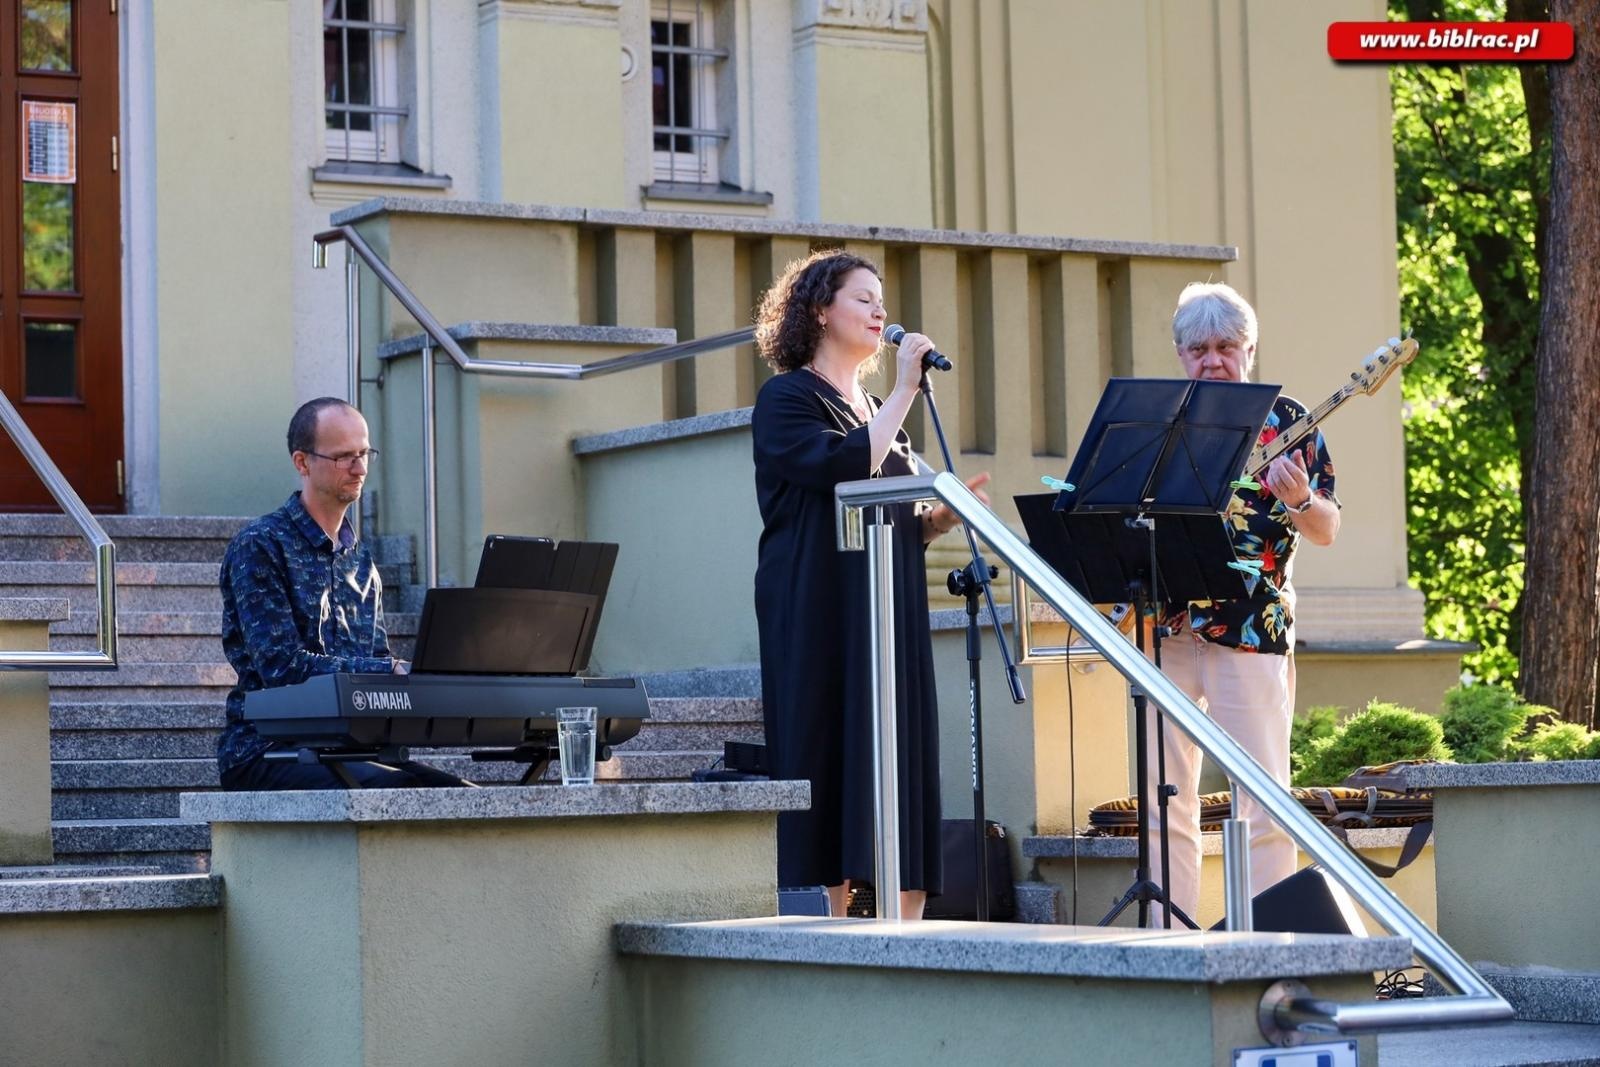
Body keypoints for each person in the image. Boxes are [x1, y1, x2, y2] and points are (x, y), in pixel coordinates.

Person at [751, 249, 989, 920]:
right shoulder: (787, 398)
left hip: (888, 601)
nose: (880, 311)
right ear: (821, 309)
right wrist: (910, 390)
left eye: (881, 299)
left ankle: (907, 923)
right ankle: (828, 918)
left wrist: (938, 517)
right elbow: (845, 467)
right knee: (825, 744)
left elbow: (895, 510)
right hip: (819, 604)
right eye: (863, 298)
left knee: (901, 743)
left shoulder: (878, 405)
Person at [1147, 281, 1340, 923]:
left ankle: (1267, 941)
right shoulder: (1158, 419)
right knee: (1162, 796)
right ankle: (1167, 939)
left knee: (1262, 797)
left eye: (1226, 346)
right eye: (1198, 348)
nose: (1212, 360)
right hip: (1167, 631)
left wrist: (1299, 501)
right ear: (1180, 355)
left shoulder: (1289, 421)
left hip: (1253, 630)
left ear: (1249, 349)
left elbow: (1327, 528)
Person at [216, 397, 465, 790]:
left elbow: (378, 660)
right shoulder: (260, 546)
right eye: (344, 457)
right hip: (266, 752)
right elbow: (281, 668)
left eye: (365, 453)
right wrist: (388, 671)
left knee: (460, 798)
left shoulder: (360, 560)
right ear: (302, 462)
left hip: (349, 751)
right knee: (405, 793)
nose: (361, 468)